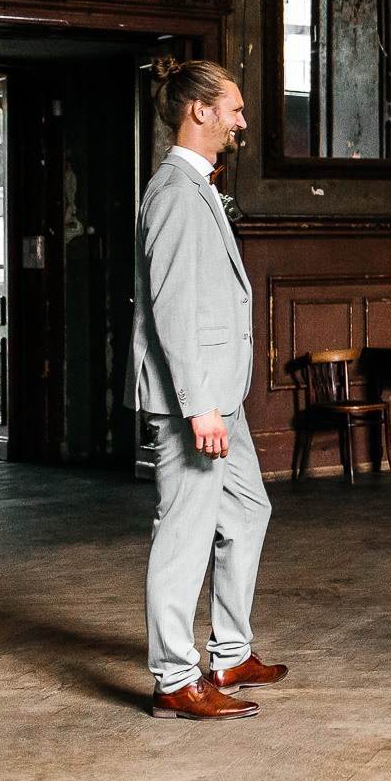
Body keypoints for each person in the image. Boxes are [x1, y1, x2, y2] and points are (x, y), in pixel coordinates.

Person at [133, 58, 286, 719]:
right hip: (193, 402)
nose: (241, 121)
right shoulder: (173, 190)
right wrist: (199, 407)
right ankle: (174, 677)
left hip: (220, 395)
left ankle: (229, 653)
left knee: (247, 510)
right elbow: (171, 306)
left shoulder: (197, 185)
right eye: (234, 108)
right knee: (185, 530)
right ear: (200, 110)